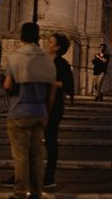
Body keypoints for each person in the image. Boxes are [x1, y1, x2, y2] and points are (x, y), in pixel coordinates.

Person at [3, 22, 56, 199]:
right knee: (36, 155)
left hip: (19, 112)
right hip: (39, 112)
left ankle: (19, 192)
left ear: (22, 36)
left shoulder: (15, 58)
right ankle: (36, 193)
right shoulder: (47, 60)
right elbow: (51, 92)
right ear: (37, 36)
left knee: (21, 155)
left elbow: (8, 85)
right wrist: (46, 112)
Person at [43, 33, 74, 189]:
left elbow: (68, 85)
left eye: (50, 42)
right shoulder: (40, 61)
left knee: (50, 141)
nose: (46, 43)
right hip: (38, 104)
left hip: (54, 107)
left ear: (57, 47)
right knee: (29, 142)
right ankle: (20, 175)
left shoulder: (62, 64)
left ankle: (49, 176)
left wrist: (54, 84)